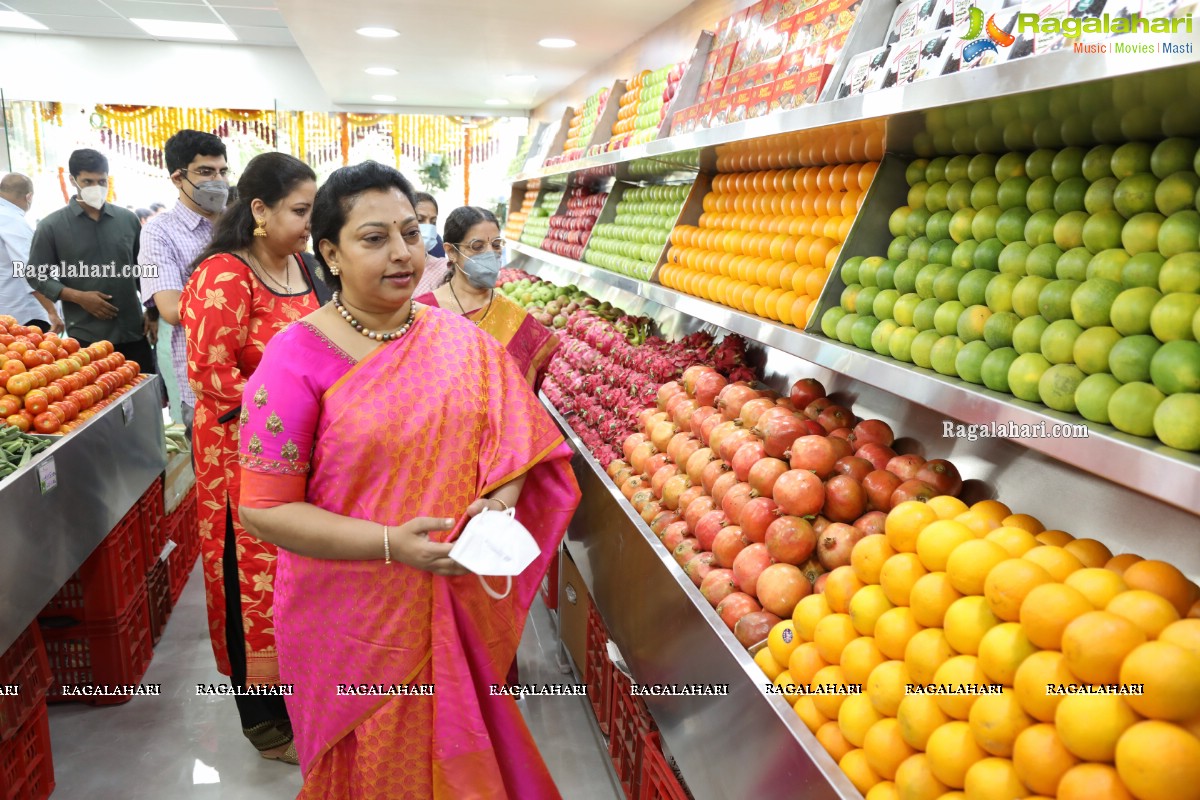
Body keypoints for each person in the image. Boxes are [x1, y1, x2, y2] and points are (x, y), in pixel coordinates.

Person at [236, 161, 580, 798]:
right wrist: (394, 543)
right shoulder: (295, 357)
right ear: (331, 254)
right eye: (373, 239)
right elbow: (263, 509)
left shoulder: (461, 341)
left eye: (410, 233)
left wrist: (499, 509)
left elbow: (519, 448)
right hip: (349, 620)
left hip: (456, 596)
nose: (401, 254)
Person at [179, 152, 322, 765]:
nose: (309, 224)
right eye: (300, 210)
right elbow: (209, 374)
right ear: (259, 210)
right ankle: (266, 724)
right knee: (250, 584)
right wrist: (298, 407)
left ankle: (307, 702)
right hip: (242, 459)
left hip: (305, 455)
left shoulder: (304, 267)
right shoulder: (225, 275)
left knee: (299, 580)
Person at [26, 149, 155, 373]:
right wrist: (77, 296)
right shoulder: (52, 226)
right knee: (94, 404)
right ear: (73, 180)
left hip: (134, 332)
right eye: (88, 181)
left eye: (101, 181)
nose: (96, 187)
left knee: (144, 400)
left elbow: (144, 271)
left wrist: (153, 312)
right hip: (86, 337)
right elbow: (36, 274)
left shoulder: (127, 220)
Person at [139, 129, 230, 437]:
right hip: (204, 383)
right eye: (205, 172)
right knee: (213, 479)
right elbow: (171, 309)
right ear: (178, 178)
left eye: (222, 171)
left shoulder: (243, 224)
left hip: (258, 375)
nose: (217, 181)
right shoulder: (157, 233)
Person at [415, 206, 559, 390]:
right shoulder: (424, 312)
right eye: (478, 246)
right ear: (451, 252)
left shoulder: (513, 317)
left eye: (496, 245)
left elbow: (525, 388)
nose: (491, 254)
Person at [0, 173, 62, 332]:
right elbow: (28, 269)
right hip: (22, 316)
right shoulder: (12, 220)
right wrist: (52, 312)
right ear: (29, 197)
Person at [411, 191, 449, 296]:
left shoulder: (443, 268)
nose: (428, 227)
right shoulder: (390, 266)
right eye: (420, 220)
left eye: (433, 222)